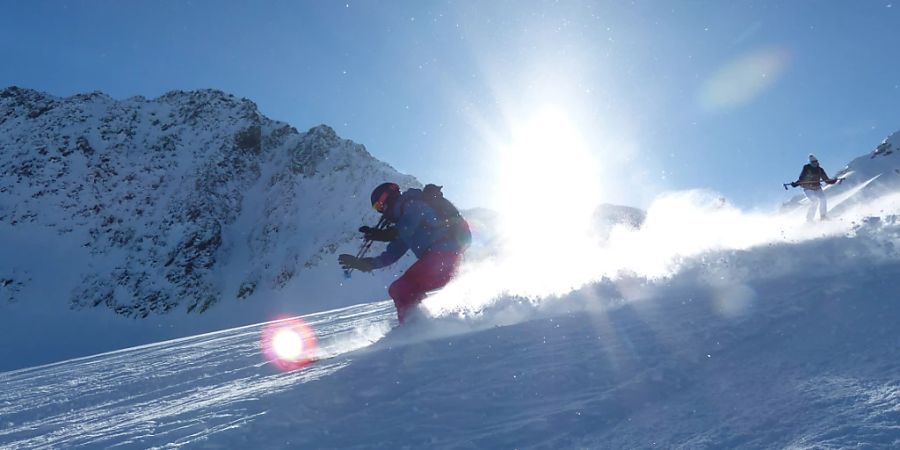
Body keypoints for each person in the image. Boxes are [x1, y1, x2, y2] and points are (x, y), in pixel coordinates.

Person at [338, 182, 471, 323]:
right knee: (403, 289)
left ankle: (415, 327)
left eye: (379, 205)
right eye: (376, 208)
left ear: (387, 198)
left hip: (444, 256)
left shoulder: (413, 204)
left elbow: (405, 228)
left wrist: (382, 234)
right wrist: (365, 264)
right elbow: (391, 255)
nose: (380, 211)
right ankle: (421, 325)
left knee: (400, 289)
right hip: (444, 261)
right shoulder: (403, 222)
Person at [790, 154, 839, 221]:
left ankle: (823, 216)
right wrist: (796, 184)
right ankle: (809, 218)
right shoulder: (806, 168)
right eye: (813, 162)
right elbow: (802, 178)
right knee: (815, 201)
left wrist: (833, 181)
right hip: (808, 188)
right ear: (810, 162)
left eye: (816, 161)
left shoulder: (820, 169)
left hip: (817, 187)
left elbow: (826, 180)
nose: (815, 163)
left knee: (823, 199)